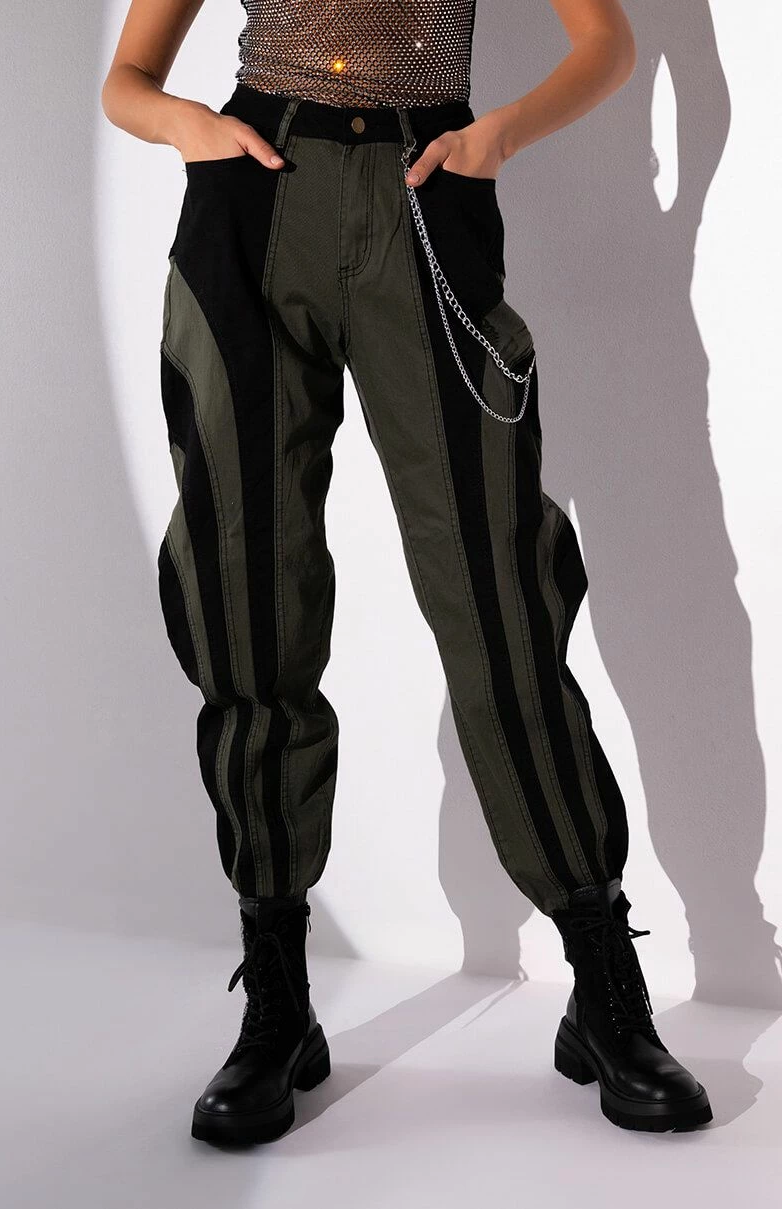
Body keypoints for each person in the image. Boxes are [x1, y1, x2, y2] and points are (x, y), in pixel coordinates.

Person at [101, 0, 712, 1144]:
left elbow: (609, 45)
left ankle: (600, 984)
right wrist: (187, 126)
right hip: (250, 202)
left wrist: (497, 137)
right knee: (245, 587)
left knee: (497, 591)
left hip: (426, 197)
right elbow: (126, 78)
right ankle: (277, 1003)